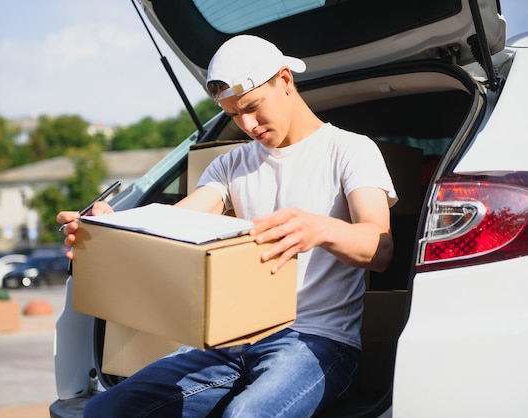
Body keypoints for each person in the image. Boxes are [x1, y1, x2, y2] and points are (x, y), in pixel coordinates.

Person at [57, 34, 397, 417]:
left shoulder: (351, 150)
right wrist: (111, 228)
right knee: (104, 410)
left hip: (318, 341)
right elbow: (173, 224)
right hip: (231, 341)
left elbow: (380, 247)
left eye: (253, 107)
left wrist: (320, 228)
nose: (247, 124)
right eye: (234, 115)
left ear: (285, 80)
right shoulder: (231, 165)